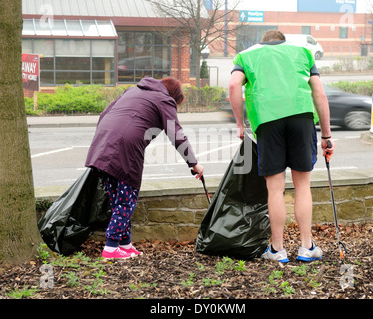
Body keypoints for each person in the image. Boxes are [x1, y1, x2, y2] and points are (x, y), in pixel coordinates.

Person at [229, 30, 333, 263]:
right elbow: (320, 94)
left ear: (262, 42)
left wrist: (239, 124)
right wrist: (326, 135)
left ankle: (277, 249)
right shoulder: (303, 52)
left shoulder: (246, 56)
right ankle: (307, 247)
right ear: (282, 42)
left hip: (268, 122)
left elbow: (234, 85)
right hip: (302, 119)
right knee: (302, 185)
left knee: (275, 189)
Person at [85, 76, 204, 259]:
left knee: (118, 199)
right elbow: (176, 133)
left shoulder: (132, 91)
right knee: (126, 200)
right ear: (175, 96)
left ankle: (125, 244)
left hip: (103, 143)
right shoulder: (164, 99)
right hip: (126, 148)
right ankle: (110, 247)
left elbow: (104, 114)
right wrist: (193, 163)